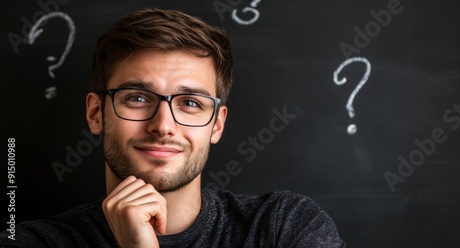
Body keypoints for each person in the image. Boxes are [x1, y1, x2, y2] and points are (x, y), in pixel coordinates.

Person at [1, 7, 346, 247]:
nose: (163, 125)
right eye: (136, 98)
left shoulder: (283, 227)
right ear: (96, 114)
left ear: (216, 125)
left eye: (191, 103)